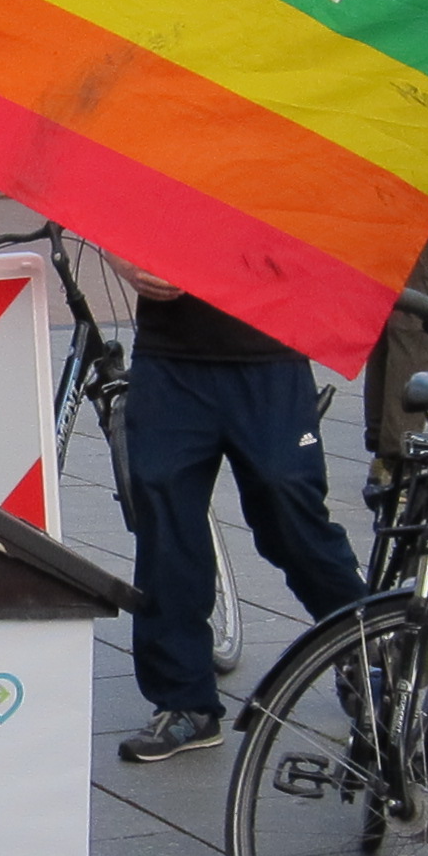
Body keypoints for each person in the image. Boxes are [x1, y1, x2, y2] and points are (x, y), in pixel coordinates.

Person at [110, 271, 365, 762]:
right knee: (165, 526)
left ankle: (362, 644)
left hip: (271, 351)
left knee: (289, 514)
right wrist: (122, 257)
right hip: (170, 356)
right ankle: (184, 700)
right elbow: (109, 220)